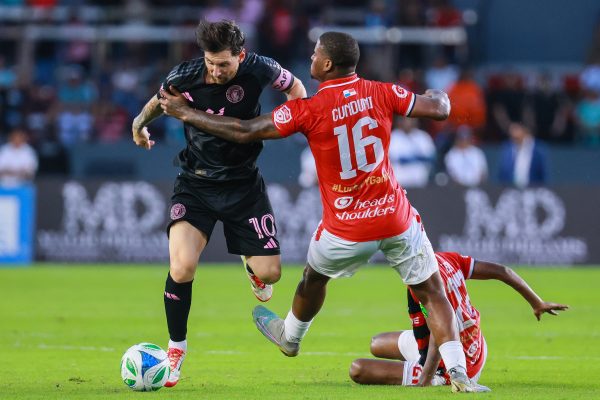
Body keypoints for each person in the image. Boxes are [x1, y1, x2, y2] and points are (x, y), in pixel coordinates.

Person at [158, 31, 489, 393]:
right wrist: (440, 95)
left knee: (312, 280)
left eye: (315, 54)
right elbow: (439, 108)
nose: (311, 59)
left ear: (327, 64)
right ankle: (458, 372)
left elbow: (243, 130)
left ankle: (291, 337)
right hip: (395, 217)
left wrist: (185, 112)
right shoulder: (382, 91)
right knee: (431, 290)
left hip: (346, 229)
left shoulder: (310, 109)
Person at [131, 19, 307, 387]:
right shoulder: (187, 74)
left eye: (224, 64)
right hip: (195, 184)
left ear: (240, 56)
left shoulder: (261, 67)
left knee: (272, 274)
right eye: (211, 63)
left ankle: (252, 265)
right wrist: (139, 122)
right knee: (181, 268)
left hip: (244, 186)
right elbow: (159, 102)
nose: (216, 71)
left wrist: (297, 120)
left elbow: (297, 89)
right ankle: (176, 349)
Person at [349, 251, 568, 388]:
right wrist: (536, 302)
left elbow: (441, 331)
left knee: (357, 369)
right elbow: (502, 271)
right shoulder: (446, 259)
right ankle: (418, 366)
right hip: (476, 346)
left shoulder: (421, 281)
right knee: (376, 343)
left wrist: (425, 379)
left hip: (452, 363)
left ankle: (437, 377)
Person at [389, 116, 435, 188]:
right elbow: (397, 159)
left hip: (420, 182)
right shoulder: (393, 137)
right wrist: (418, 158)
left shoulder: (423, 136)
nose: (409, 122)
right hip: (401, 182)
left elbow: (431, 158)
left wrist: (412, 158)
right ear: (399, 121)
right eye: (405, 120)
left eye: (412, 119)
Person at [498, 122, 548, 187]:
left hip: (532, 190)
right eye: (511, 130)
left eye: (516, 129)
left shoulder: (537, 149)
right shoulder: (507, 149)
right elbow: (503, 173)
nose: (513, 134)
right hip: (511, 190)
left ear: (524, 130)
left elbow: (543, 173)